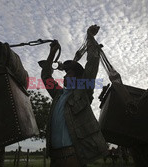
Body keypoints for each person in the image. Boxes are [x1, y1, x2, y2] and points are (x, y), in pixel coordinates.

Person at [38, 25, 107, 167]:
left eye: (69, 73)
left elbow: (92, 63)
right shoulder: (58, 94)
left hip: (74, 158)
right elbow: (46, 76)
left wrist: (90, 37)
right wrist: (52, 53)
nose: (65, 75)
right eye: (65, 73)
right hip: (55, 160)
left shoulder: (83, 89)